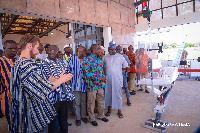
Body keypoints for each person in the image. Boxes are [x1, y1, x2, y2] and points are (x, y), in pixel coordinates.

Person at [8, 34, 73, 133]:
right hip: (29, 119)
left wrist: (48, 81)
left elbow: (30, 85)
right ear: (30, 46)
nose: (39, 51)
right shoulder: (28, 66)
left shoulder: (17, 63)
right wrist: (61, 80)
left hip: (20, 114)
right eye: (37, 48)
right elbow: (43, 90)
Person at [39, 45, 75, 133]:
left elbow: (68, 73)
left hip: (63, 95)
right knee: (52, 121)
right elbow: (41, 81)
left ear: (58, 52)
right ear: (47, 51)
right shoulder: (42, 64)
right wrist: (50, 80)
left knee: (63, 118)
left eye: (55, 50)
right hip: (51, 98)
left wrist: (68, 79)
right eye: (50, 50)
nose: (52, 52)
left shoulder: (62, 62)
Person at [83, 44, 109, 126]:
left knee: (101, 100)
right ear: (94, 50)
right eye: (99, 49)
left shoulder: (100, 59)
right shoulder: (87, 60)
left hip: (100, 85)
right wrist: (99, 78)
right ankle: (92, 118)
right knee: (91, 103)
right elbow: (87, 74)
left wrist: (103, 78)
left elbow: (101, 71)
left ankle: (101, 115)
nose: (100, 51)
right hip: (92, 85)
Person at [103, 42, 129, 118]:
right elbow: (102, 68)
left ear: (115, 50)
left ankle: (119, 111)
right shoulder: (105, 57)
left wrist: (125, 73)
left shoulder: (120, 57)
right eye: (109, 49)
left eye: (111, 49)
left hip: (117, 79)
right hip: (108, 80)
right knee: (108, 94)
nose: (110, 51)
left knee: (118, 95)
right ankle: (109, 110)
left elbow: (126, 66)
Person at [68, 46, 88, 126]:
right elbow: (67, 70)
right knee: (76, 103)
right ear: (77, 52)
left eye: (82, 51)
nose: (80, 53)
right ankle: (78, 118)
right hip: (74, 85)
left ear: (85, 52)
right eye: (79, 51)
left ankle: (83, 116)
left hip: (84, 85)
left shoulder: (87, 60)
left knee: (83, 102)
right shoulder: (72, 59)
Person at [0, 40, 17, 122]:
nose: (13, 50)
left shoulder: (18, 60)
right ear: (4, 48)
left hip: (22, 100)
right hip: (8, 100)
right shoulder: (1, 62)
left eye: (15, 48)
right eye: (10, 48)